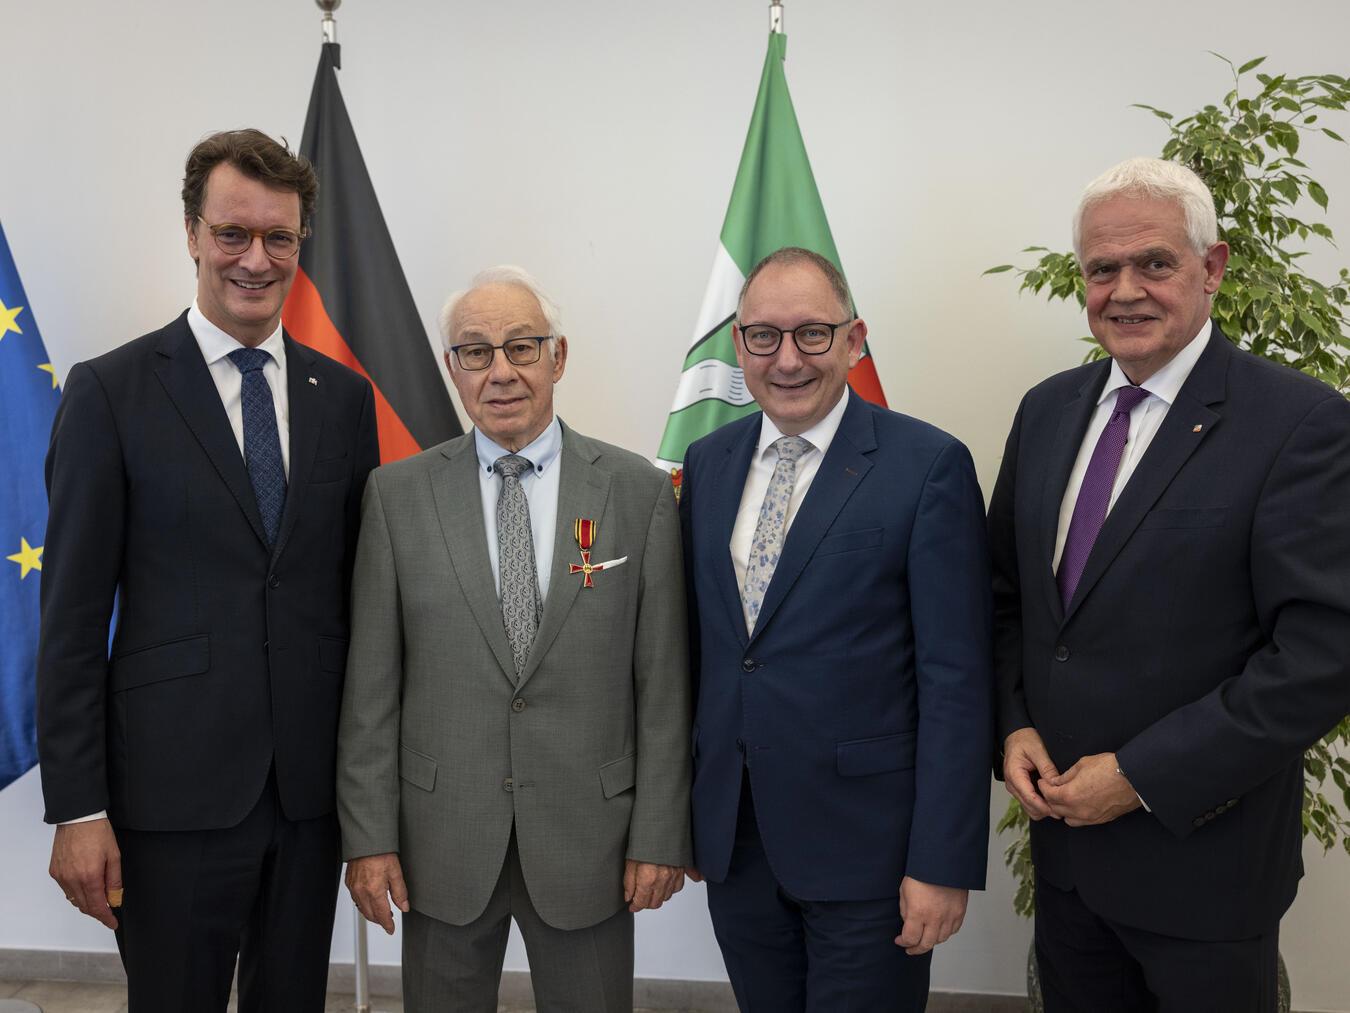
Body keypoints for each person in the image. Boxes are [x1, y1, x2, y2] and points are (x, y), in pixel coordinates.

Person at [990, 156, 1350, 1010]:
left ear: (1212, 268)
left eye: (1154, 262)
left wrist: (1145, 773)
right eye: (1101, 268)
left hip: (1205, 872)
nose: (1125, 289)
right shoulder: (1046, 410)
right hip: (1069, 868)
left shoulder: (1301, 423)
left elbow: (1321, 654)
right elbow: (1007, 598)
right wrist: (1012, 724)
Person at [37, 128, 380, 1010]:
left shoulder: (341, 398)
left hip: (308, 800)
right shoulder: (109, 392)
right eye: (234, 233)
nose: (256, 259)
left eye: (279, 239)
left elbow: (359, 600)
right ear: (192, 232)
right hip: (168, 801)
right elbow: (70, 620)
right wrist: (78, 809)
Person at [337, 265, 691, 1012]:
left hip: (589, 841)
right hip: (441, 842)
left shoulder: (638, 492)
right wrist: (368, 838)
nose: (500, 371)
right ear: (452, 370)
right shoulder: (395, 497)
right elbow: (372, 689)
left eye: (521, 347)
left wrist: (659, 833)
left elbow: (662, 686)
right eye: (476, 351)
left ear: (557, 358)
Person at [680, 246, 993, 1010]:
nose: (787, 359)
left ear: (855, 340)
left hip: (872, 857)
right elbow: (703, 652)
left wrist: (941, 861)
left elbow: (955, 680)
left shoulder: (927, 466)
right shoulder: (708, 463)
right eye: (764, 336)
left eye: (812, 334)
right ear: (738, 346)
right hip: (738, 843)